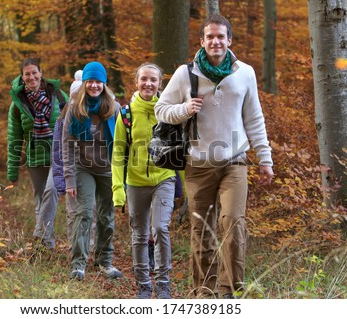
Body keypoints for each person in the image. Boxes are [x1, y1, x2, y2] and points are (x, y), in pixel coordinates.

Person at [154, 14, 274, 298]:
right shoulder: (187, 73)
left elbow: (254, 118)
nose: (215, 41)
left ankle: (231, 292)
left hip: (235, 162)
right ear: (202, 41)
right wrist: (184, 109)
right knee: (203, 231)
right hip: (198, 164)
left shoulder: (245, 72)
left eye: (221, 36)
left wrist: (265, 158)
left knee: (233, 223)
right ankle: (205, 294)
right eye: (210, 36)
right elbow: (161, 109)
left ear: (229, 40)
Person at [112, 63, 176, 299]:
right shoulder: (126, 114)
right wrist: (118, 190)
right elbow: (118, 154)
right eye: (144, 79)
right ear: (136, 82)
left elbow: (182, 149)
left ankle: (162, 284)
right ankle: (143, 286)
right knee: (139, 235)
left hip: (164, 178)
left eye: (153, 80)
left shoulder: (168, 112)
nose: (148, 83)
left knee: (160, 228)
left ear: (160, 84)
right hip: (136, 182)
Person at [62, 61, 123, 281]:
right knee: (84, 213)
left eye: (98, 81)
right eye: (90, 81)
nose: (94, 86)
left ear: (104, 84)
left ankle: (104, 261)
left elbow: (122, 143)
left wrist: (121, 175)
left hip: (108, 168)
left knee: (106, 216)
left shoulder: (114, 109)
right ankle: (78, 264)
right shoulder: (74, 108)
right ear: (84, 82)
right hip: (82, 167)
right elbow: (67, 144)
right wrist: (69, 179)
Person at [7, 57, 68, 250]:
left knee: (52, 191)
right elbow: (14, 138)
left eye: (34, 72)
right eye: (27, 74)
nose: (31, 76)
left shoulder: (58, 95)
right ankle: (46, 245)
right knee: (40, 199)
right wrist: (12, 171)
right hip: (34, 156)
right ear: (22, 77)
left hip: (57, 153)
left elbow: (73, 122)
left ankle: (38, 233)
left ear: (41, 73)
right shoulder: (17, 104)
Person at [52, 70, 96, 252]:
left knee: (91, 211)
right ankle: (74, 248)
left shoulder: (94, 118)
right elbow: (58, 152)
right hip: (71, 172)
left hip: (91, 171)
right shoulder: (63, 120)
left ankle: (91, 248)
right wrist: (61, 180)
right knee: (73, 213)